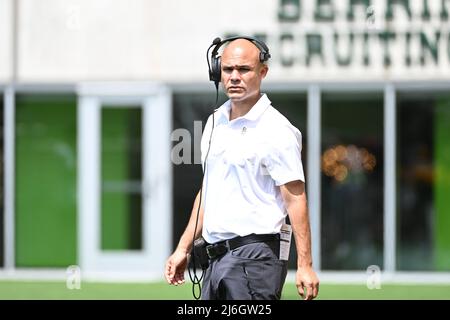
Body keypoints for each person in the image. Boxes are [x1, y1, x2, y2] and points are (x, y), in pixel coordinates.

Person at [165, 37, 319, 300]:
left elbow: (295, 198)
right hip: (215, 259)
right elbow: (209, 191)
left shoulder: (277, 130)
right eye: (228, 69)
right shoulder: (215, 122)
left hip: (256, 258)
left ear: (262, 72)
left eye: (244, 70)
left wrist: (305, 265)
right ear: (217, 72)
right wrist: (183, 247)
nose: (234, 77)